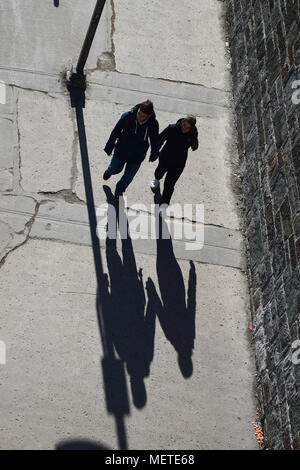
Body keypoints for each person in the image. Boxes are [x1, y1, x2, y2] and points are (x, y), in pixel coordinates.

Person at [103, 100, 159, 197]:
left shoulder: (153, 124)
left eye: (142, 115)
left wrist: (154, 153)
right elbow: (115, 131)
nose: (139, 116)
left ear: (148, 116)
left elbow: (154, 139)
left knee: (128, 176)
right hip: (122, 150)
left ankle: (119, 191)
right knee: (115, 169)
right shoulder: (128, 116)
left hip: (137, 155)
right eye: (139, 113)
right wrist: (109, 146)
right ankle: (109, 171)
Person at [150, 115, 198, 217]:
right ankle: (156, 179)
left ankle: (163, 207)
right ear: (182, 122)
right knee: (159, 172)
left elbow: (195, 147)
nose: (184, 128)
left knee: (169, 185)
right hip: (165, 158)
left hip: (179, 163)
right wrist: (155, 152)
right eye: (184, 125)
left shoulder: (191, 134)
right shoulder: (172, 128)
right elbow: (160, 139)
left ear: (191, 128)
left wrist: (193, 136)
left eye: (187, 128)